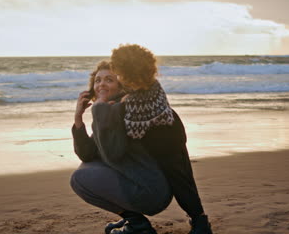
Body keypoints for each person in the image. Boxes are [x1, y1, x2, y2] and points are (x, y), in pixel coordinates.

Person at [110, 44, 213, 234]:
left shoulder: (134, 100)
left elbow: (134, 129)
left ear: (127, 73)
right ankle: (197, 218)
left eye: (119, 71)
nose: (116, 75)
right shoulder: (152, 85)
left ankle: (200, 222)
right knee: (183, 178)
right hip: (172, 129)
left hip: (165, 141)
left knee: (179, 181)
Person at [70, 60, 172, 234]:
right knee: (88, 166)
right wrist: (78, 119)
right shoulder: (108, 109)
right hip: (142, 185)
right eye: (98, 80)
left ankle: (137, 225)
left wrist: (100, 109)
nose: (101, 84)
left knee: (79, 179)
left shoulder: (123, 109)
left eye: (109, 79)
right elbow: (87, 154)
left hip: (150, 191)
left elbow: (113, 154)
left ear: (121, 86)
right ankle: (134, 220)